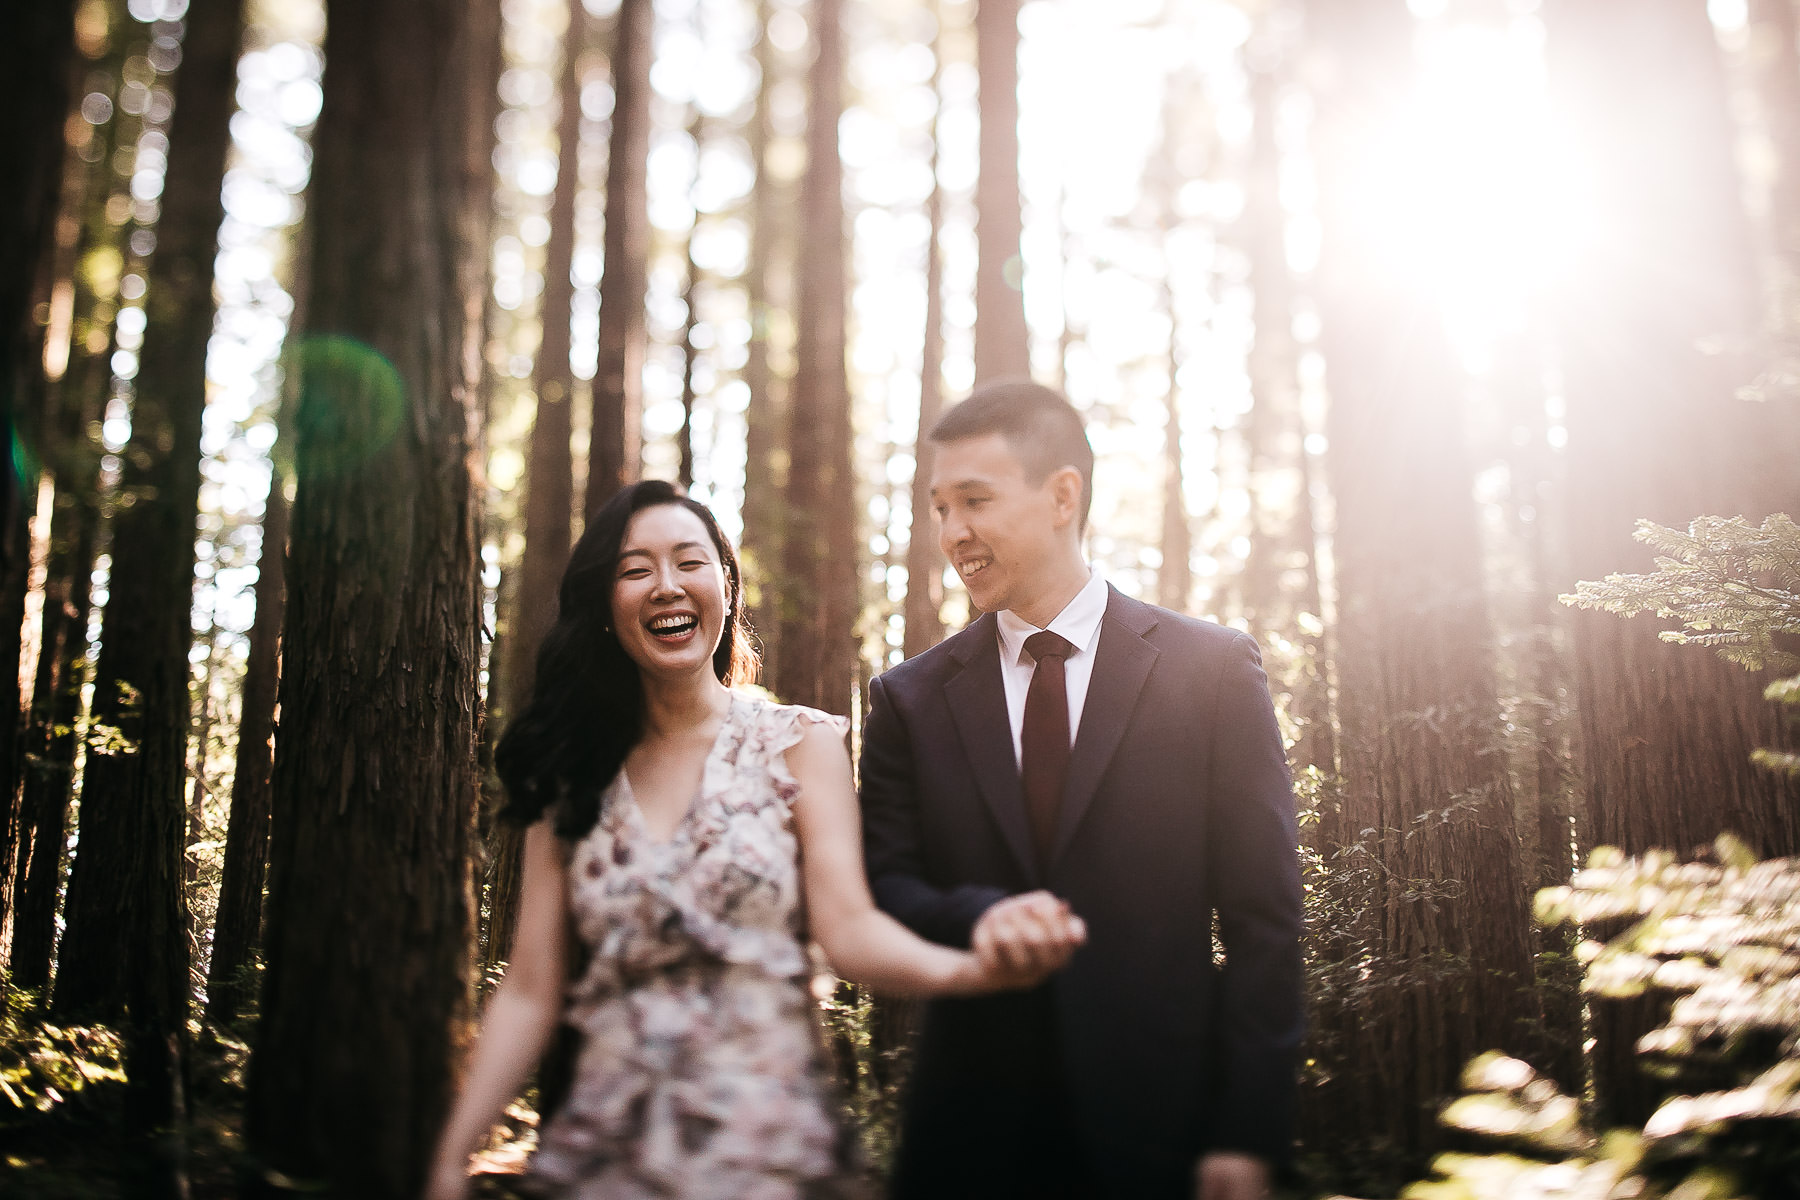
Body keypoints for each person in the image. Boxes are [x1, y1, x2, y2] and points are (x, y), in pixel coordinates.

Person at [427, 479, 1078, 1200]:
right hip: (604, 1165)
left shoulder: (799, 743)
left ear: (727, 587)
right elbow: (529, 990)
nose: (666, 587)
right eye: (635, 570)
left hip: (772, 1163)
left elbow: (851, 930)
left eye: (689, 562)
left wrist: (972, 972)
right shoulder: (570, 773)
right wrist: (448, 1158)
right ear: (604, 606)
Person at [859, 380, 1305, 1200]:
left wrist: (1248, 1131)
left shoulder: (1211, 673)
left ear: (1063, 495)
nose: (953, 533)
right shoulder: (907, 701)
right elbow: (885, 887)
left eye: (975, 501)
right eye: (939, 509)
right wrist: (982, 918)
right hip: (967, 1142)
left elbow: (1264, 918)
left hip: (1164, 1136)